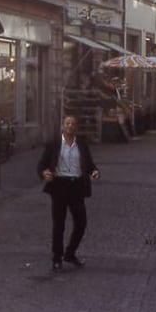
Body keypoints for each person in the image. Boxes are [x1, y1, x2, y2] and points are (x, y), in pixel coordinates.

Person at [38, 114, 100, 272]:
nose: (70, 126)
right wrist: (44, 173)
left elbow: (89, 163)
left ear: (76, 127)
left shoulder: (82, 144)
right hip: (59, 185)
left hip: (77, 186)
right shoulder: (54, 144)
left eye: (73, 123)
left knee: (81, 222)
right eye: (67, 123)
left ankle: (70, 253)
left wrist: (94, 171)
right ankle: (57, 258)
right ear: (62, 126)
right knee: (59, 224)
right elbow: (42, 165)